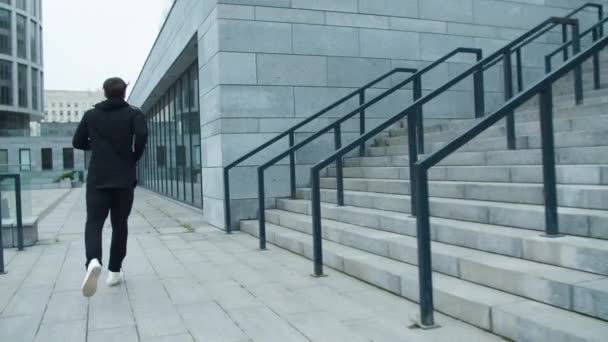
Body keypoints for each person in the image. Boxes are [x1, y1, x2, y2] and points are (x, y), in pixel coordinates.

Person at [73, 77, 148, 297]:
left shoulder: (91, 115)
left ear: (104, 93)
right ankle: (114, 271)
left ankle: (93, 260)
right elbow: (142, 134)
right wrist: (134, 156)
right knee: (120, 224)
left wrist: (95, 145)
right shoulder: (134, 113)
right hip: (123, 178)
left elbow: (77, 142)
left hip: (98, 178)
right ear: (124, 93)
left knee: (94, 223)